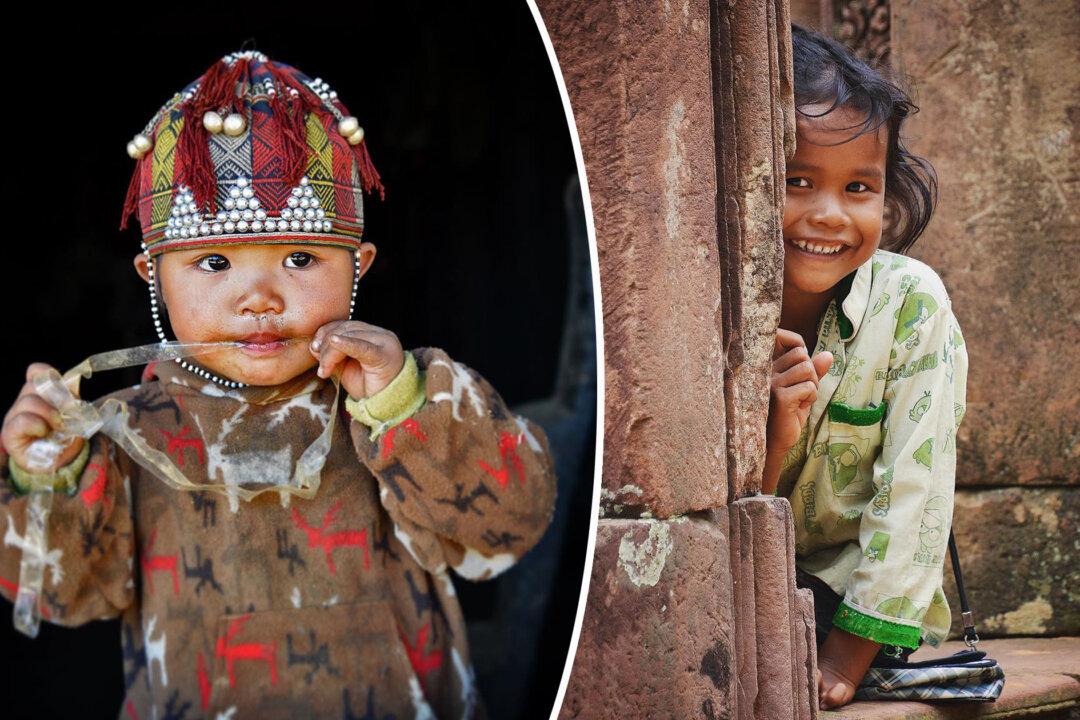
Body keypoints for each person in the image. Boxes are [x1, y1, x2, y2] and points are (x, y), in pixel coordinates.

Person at [0, 50, 556, 719]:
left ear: (359, 266)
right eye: (212, 262)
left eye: (299, 259)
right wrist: (50, 475)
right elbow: (67, 597)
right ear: (153, 275)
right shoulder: (124, 430)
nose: (259, 297)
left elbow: (509, 529)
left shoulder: (398, 401)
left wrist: (402, 405)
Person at [762, 25, 968, 710]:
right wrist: (774, 444)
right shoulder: (708, 305)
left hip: (851, 605)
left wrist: (846, 657)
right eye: (796, 180)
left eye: (858, 186)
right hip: (749, 577)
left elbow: (917, 487)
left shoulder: (913, 305)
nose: (827, 214)